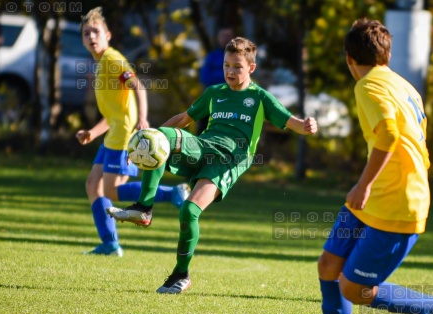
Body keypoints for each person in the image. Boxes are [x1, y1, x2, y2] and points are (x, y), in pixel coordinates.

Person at [298, 18, 433, 314]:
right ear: (386, 53)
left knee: (355, 289)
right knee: (329, 266)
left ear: (349, 59)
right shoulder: (403, 84)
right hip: (376, 197)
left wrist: (364, 185)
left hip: (396, 202)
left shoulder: (367, 86)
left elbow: (390, 137)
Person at [107, 37, 318, 293]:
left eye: (237, 66)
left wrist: (306, 126)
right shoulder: (214, 93)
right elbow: (184, 119)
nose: (230, 71)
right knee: (160, 138)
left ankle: (179, 274)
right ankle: (144, 208)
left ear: (251, 68)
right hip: (204, 147)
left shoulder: (260, 98)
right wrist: (143, 142)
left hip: (230, 161)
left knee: (188, 211)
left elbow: (290, 121)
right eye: (226, 65)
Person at [76, 7, 189, 257]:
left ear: (108, 34)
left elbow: (138, 86)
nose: (91, 37)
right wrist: (92, 133)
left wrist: (143, 118)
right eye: (86, 33)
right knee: (93, 185)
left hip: (124, 135)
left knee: (110, 190)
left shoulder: (113, 59)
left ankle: (173, 193)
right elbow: (111, 114)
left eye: (96, 31)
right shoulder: (100, 64)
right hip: (111, 135)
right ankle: (110, 243)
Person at [195, 26, 236, 135]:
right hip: (211, 98)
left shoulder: (238, 57)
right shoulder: (212, 56)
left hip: (230, 99)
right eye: (222, 36)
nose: (224, 39)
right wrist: (224, 79)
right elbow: (205, 77)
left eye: (227, 36)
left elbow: (238, 77)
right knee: (203, 127)